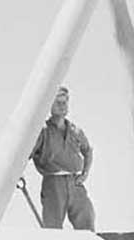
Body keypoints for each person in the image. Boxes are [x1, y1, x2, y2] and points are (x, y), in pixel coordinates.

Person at [30, 85, 96, 230]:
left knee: (87, 223)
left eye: (65, 102)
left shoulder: (75, 131)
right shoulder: (42, 132)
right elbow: (27, 154)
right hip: (53, 183)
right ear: (49, 105)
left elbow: (88, 151)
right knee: (53, 229)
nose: (62, 106)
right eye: (58, 102)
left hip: (75, 182)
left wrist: (85, 173)